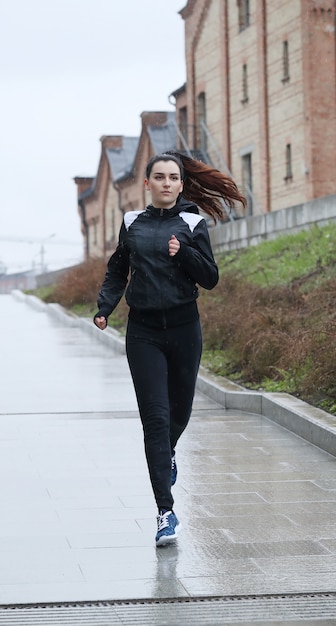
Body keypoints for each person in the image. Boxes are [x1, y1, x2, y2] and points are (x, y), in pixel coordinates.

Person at [94, 150, 246, 546]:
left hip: (183, 329)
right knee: (155, 421)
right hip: (142, 332)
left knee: (179, 412)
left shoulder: (193, 222)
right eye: (158, 177)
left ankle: (168, 452)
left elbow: (210, 277)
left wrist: (186, 253)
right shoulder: (132, 223)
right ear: (147, 184)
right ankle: (165, 511)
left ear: (181, 184)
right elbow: (117, 269)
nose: (165, 183)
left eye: (172, 177)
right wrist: (104, 308)